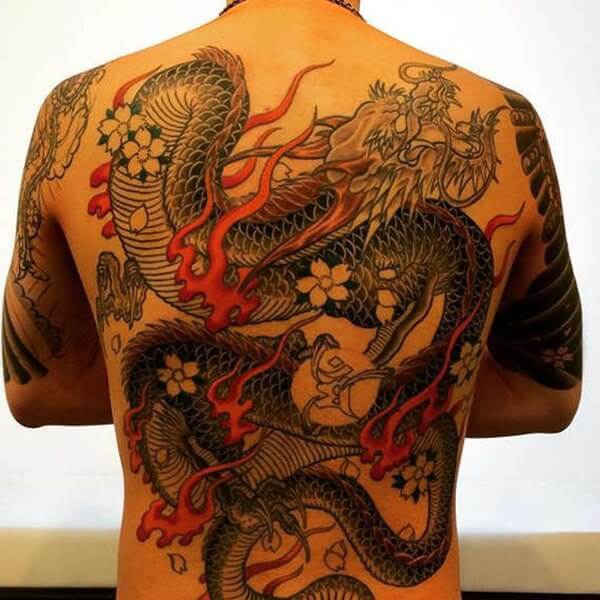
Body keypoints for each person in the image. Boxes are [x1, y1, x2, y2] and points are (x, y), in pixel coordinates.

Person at [2, 1, 583, 598]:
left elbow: (40, 390)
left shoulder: (79, 108)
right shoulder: (502, 119)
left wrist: (262, 407)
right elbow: (542, 396)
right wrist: (404, 407)